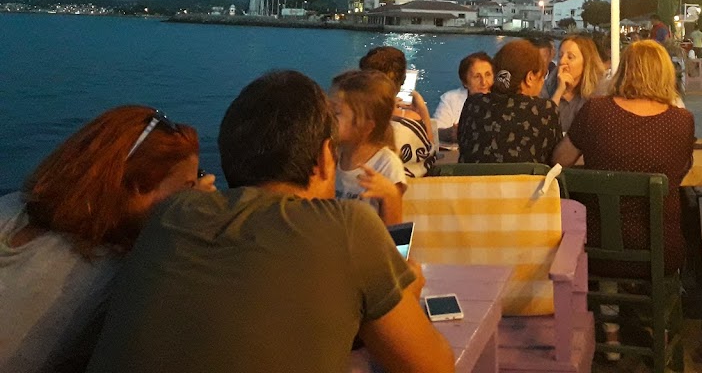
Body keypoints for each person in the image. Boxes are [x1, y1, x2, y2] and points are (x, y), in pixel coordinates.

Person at [86, 70, 454, 373]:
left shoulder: (171, 214)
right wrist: (408, 293)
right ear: (324, 159)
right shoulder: (349, 226)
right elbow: (434, 367)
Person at [1, 106, 210, 373]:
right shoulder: (120, 269)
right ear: (138, 188)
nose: (190, 198)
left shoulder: (11, 206)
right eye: (187, 188)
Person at [553, 41, 695, 279]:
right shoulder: (682, 121)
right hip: (660, 251)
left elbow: (560, 160)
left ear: (624, 70)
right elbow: (680, 172)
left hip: (595, 248)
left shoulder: (596, 110)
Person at [458, 38, 561, 165]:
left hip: (475, 178)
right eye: (542, 76)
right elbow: (556, 160)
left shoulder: (473, 104)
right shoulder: (545, 110)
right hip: (526, 178)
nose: (542, 82)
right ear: (530, 78)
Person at [330, 69, 405, 226]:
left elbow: (393, 230)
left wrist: (390, 195)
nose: (327, 118)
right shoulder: (332, 155)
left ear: (366, 126)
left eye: (336, 113)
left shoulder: (386, 164)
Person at [359, 46, 436, 177]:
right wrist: (423, 112)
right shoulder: (410, 121)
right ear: (402, 80)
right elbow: (430, 154)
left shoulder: (351, 119)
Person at [549, 35, 606, 133]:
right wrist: (559, 92)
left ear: (586, 62)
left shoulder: (599, 93)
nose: (562, 61)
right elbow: (543, 126)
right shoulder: (548, 85)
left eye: (570, 57)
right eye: (560, 56)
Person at [434, 51, 493, 144]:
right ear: (465, 82)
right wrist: (449, 133)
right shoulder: (451, 99)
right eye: (477, 76)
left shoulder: (504, 100)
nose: (484, 82)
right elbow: (435, 132)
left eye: (488, 75)